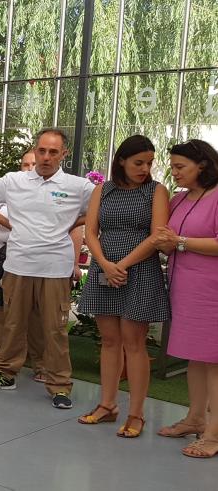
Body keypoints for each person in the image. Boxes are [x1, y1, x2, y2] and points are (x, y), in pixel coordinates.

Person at [0, 128, 95, 410]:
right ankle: (3, 374)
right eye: (42, 150)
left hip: (55, 267)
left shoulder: (79, 186)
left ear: (64, 154)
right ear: (35, 151)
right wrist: (5, 220)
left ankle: (60, 385)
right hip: (18, 265)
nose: (46, 157)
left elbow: (101, 209)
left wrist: (72, 223)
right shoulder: (14, 181)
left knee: (55, 330)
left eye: (54, 152)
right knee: (12, 325)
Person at [76, 135, 169, 438]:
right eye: (138, 162)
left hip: (139, 271)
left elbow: (157, 236)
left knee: (134, 342)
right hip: (106, 268)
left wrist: (123, 264)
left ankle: (136, 413)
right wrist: (104, 264)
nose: (145, 168)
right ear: (121, 161)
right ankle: (107, 405)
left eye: (149, 163)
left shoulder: (156, 191)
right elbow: (90, 231)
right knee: (110, 340)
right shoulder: (102, 190)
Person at [152, 139, 218, 458]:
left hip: (211, 290)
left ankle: (214, 434)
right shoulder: (178, 199)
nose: (174, 173)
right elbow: (171, 241)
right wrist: (167, 242)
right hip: (184, 287)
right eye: (173, 167)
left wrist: (179, 242)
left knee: (214, 361)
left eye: (181, 167)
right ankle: (195, 418)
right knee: (195, 358)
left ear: (202, 165)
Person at [0, 149, 48, 383]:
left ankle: (41, 365)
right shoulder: (10, 188)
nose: (29, 168)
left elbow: (73, 228)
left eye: (33, 164)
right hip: (3, 258)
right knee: (0, 310)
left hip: (38, 260)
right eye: (25, 164)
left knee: (36, 315)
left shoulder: (55, 192)